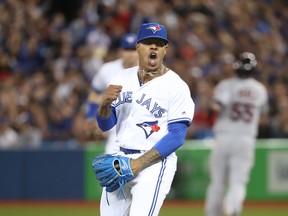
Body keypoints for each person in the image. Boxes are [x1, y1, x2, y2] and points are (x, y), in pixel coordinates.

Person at [95, 22, 195, 216]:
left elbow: (176, 136)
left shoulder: (176, 86)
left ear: (165, 49)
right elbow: (106, 124)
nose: (154, 47)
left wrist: (138, 164)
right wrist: (104, 105)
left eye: (159, 43)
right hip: (120, 158)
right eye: (148, 42)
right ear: (138, 47)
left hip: (154, 165)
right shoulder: (121, 77)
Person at [204, 52, 269, 216]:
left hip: (224, 136)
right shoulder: (260, 89)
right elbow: (263, 118)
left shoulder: (227, 85)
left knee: (218, 182)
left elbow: (216, 107)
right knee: (238, 182)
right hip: (246, 138)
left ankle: (212, 213)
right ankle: (233, 209)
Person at [85, 33, 138, 153]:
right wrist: (90, 117)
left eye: (132, 50)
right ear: (120, 51)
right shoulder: (107, 69)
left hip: (139, 122)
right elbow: (95, 93)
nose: (129, 54)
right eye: (126, 49)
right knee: (113, 165)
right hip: (115, 125)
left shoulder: (147, 71)